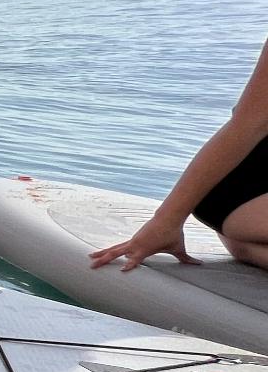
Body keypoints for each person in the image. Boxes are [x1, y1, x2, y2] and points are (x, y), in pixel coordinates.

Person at [90, 35, 268, 271]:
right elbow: (251, 124)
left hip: (236, 204)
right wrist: (165, 222)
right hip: (242, 192)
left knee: (246, 246)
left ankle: (243, 243)